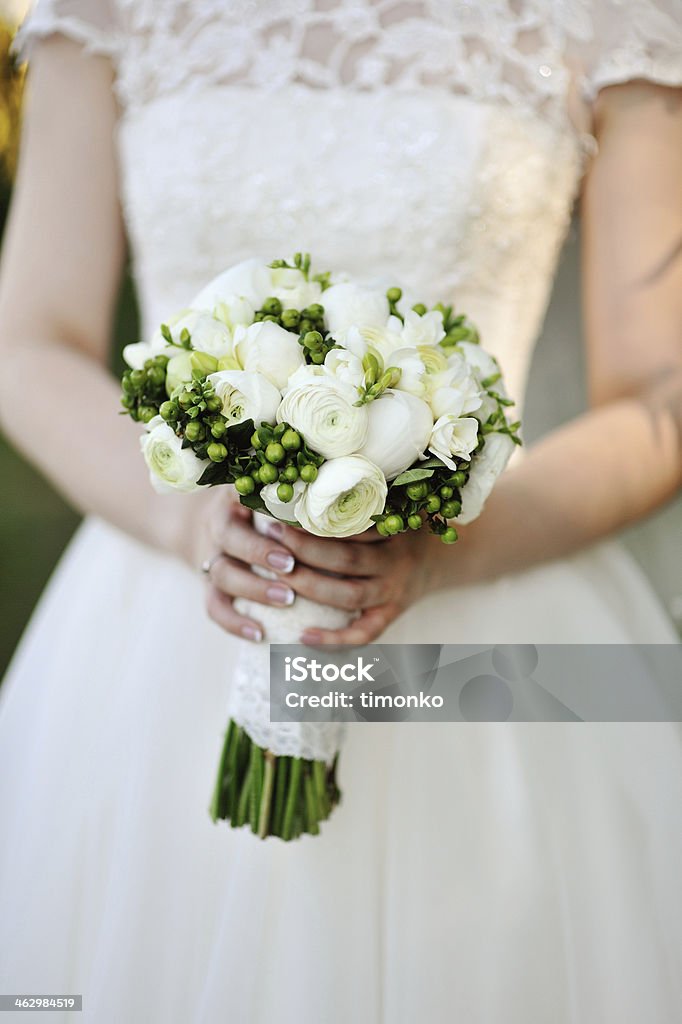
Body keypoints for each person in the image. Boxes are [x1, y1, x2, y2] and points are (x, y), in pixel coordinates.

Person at [0, 2, 680, 1021]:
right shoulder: (102, 12)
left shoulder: (613, 17)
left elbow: (658, 396)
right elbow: (28, 341)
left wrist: (443, 551)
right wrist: (195, 523)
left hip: (487, 632)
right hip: (162, 621)